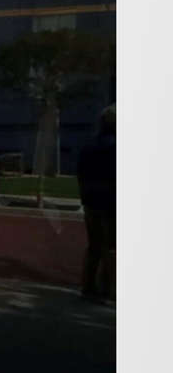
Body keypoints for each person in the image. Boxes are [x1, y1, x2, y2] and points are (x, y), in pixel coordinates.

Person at [77, 104, 116, 302]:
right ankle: (110, 288)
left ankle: (88, 285)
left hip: (91, 201)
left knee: (94, 245)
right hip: (110, 201)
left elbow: (81, 173)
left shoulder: (88, 146)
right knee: (112, 246)